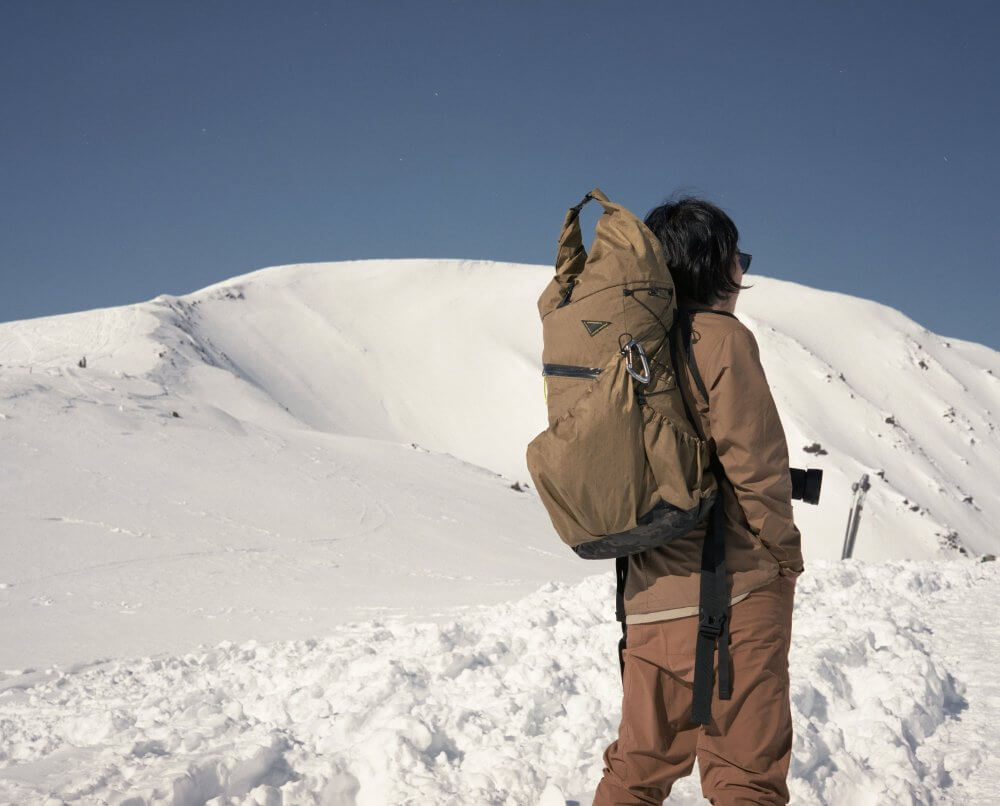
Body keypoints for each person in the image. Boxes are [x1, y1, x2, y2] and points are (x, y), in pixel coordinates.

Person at [591, 196, 805, 805]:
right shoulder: (722, 340)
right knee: (745, 776)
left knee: (635, 772)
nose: (743, 272)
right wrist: (783, 561)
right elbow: (756, 469)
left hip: (647, 603)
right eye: (739, 258)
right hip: (733, 599)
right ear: (716, 266)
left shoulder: (628, 349)